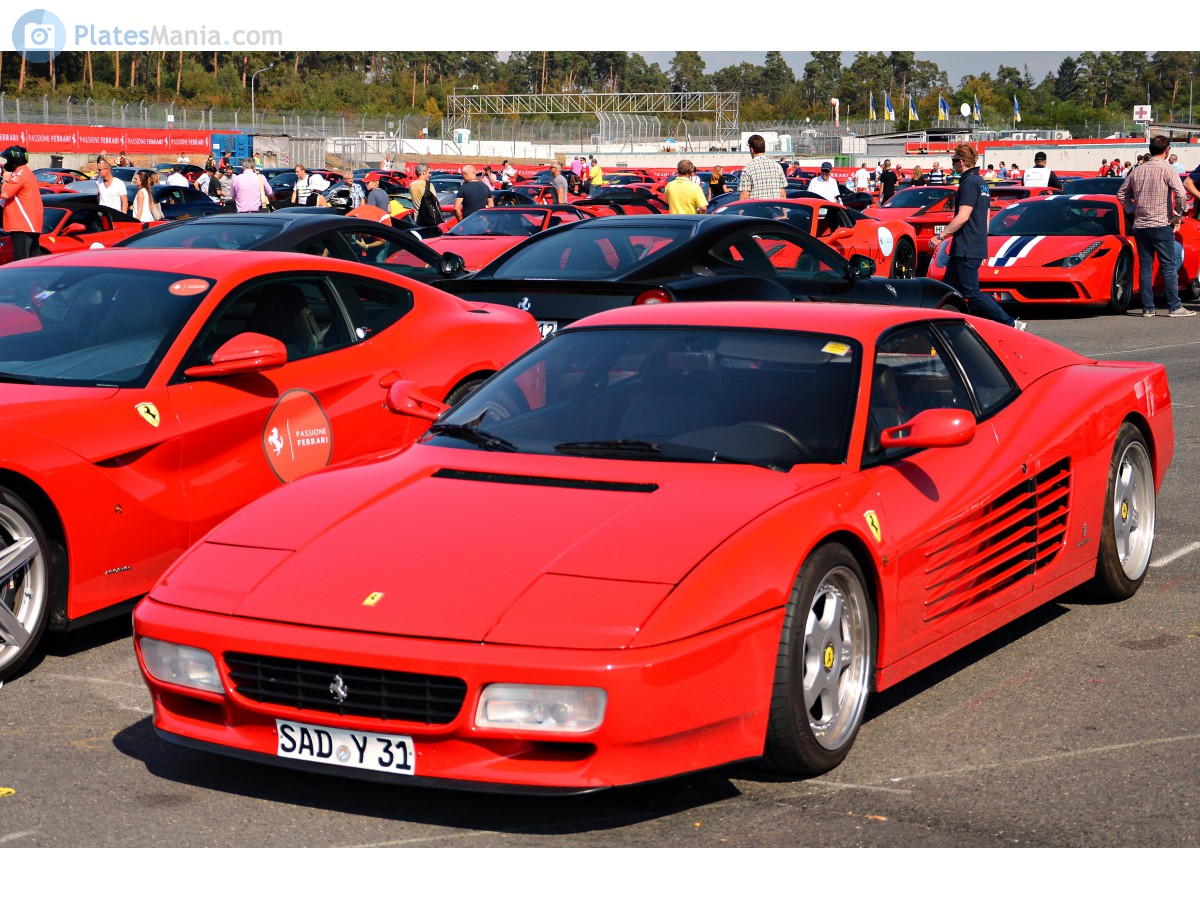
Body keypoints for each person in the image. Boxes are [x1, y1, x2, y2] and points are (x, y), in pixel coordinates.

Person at [934, 144, 1024, 330]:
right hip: (972, 244)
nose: (952, 166)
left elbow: (963, 216)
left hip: (966, 245)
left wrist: (940, 236)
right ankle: (946, 326)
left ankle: (1009, 322)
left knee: (971, 292)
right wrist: (983, 248)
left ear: (960, 162)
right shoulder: (982, 182)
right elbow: (986, 219)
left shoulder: (968, 183)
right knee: (949, 290)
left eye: (953, 162)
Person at [1117, 135, 1194, 317]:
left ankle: (1147, 308)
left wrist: (1134, 210)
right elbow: (1182, 194)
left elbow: (1121, 194)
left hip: (1141, 224)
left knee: (1145, 266)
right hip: (1161, 223)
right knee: (1168, 265)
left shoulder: (1138, 170)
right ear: (1167, 150)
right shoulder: (1168, 169)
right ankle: (1174, 307)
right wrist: (1179, 214)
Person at [0, 145, 43, 261]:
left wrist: (5, 179)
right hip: (30, 225)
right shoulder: (27, 172)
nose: (6, 164)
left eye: (7, 160)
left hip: (22, 225)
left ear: (13, 161)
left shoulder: (20, 174)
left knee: (21, 261)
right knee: (31, 261)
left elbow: (4, 193)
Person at [738, 134, 787, 200]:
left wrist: (740, 210)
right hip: (775, 208)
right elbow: (782, 193)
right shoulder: (777, 166)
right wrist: (784, 210)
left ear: (752, 150)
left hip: (756, 209)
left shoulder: (748, 169)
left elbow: (744, 195)